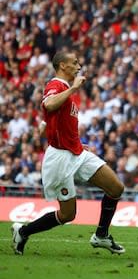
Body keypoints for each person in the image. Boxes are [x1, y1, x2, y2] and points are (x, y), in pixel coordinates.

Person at [11, 52, 125, 255]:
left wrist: (76, 142)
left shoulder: (67, 91)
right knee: (67, 214)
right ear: (62, 65)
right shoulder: (56, 85)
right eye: (75, 62)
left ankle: (101, 235)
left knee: (116, 188)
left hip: (77, 152)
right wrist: (74, 87)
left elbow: (54, 119)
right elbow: (49, 104)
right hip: (60, 158)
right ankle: (23, 231)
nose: (79, 65)